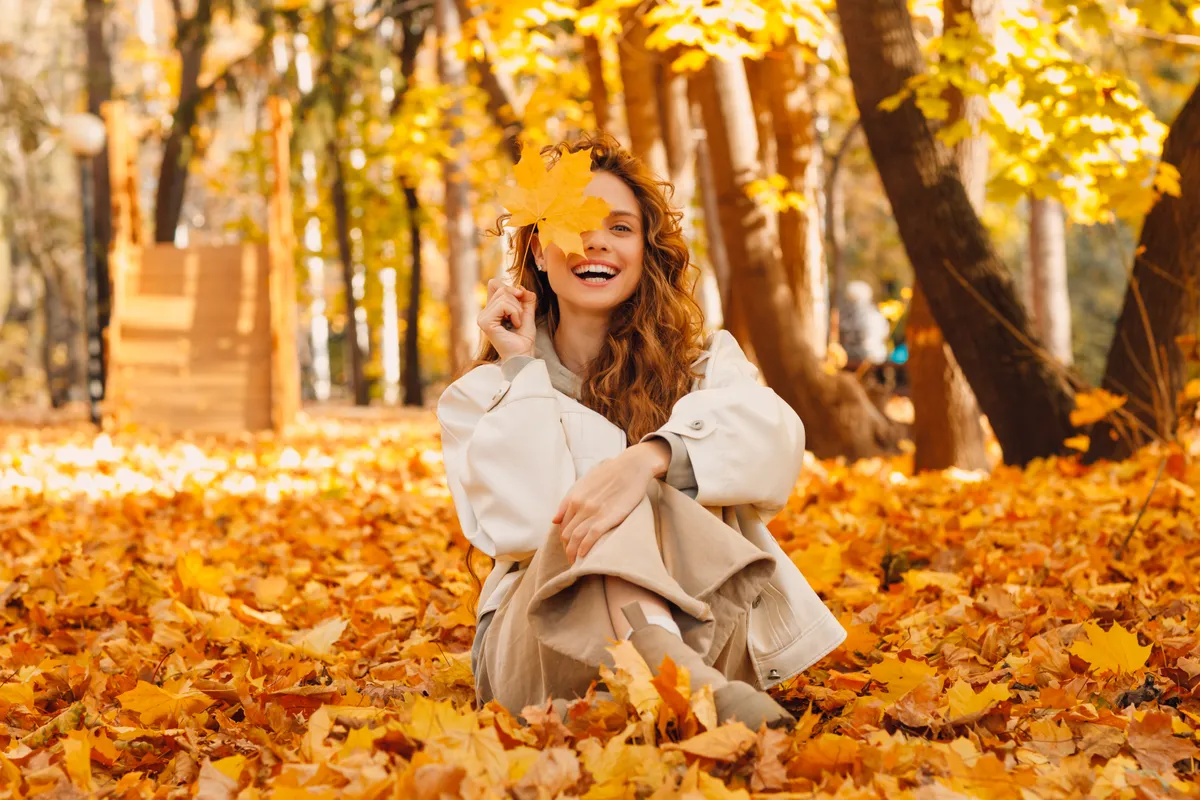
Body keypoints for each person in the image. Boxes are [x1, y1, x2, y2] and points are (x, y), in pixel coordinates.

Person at [437, 134, 845, 729]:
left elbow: (776, 445)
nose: (596, 239)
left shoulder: (707, 369)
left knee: (627, 483)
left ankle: (639, 695)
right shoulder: (485, 394)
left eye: (620, 228)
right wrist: (522, 366)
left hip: (705, 631)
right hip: (539, 646)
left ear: (647, 252)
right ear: (539, 255)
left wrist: (649, 458)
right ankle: (676, 683)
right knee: (612, 497)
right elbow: (525, 521)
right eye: (573, 226)